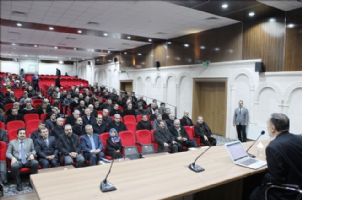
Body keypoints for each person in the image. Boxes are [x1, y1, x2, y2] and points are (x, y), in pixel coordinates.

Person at [249, 113, 302, 200]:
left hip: (285, 193)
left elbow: (276, 179)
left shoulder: (273, 147)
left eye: (268, 126)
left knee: (253, 192)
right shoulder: (298, 139)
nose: (267, 128)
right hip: (299, 188)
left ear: (273, 128)